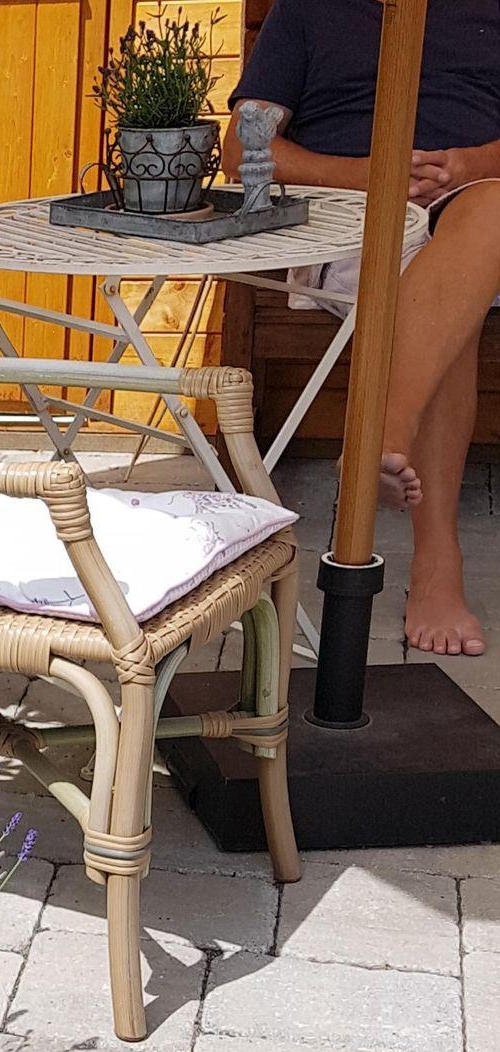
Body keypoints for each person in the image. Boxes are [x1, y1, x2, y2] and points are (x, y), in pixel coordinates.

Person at [224, 0, 500, 655]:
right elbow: (244, 149)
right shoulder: (308, 10)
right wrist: (373, 176)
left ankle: (379, 442)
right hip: (352, 218)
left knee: (486, 220)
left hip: (478, 204)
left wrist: (469, 165)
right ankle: (436, 562)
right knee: (446, 294)